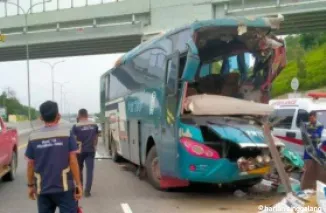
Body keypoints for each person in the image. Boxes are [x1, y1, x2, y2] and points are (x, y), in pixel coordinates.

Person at [25, 101, 82, 213]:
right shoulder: (67, 134)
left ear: (41, 117)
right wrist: (78, 184)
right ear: (58, 115)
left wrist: (31, 185)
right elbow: (73, 161)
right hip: (65, 189)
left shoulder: (33, 137)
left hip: (43, 190)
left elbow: (30, 164)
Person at [72, 108, 99, 197]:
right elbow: (96, 137)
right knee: (90, 171)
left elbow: (73, 139)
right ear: (87, 115)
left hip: (79, 151)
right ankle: (87, 191)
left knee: (79, 170)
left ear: (79, 116)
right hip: (90, 150)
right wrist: (95, 147)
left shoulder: (76, 126)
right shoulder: (94, 125)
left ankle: (80, 187)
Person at [300, 111, 325, 190]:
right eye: (309, 118)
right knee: (308, 168)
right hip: (308, 150)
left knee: (317, 168)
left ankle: (317, 186)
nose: (310, 120)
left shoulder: (320, 125)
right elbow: (304, 135)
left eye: (312, 118)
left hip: (316, 149)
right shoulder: (307, 125)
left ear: (315, 117)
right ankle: (306, 187)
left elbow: (318, 135)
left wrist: (310, 135)